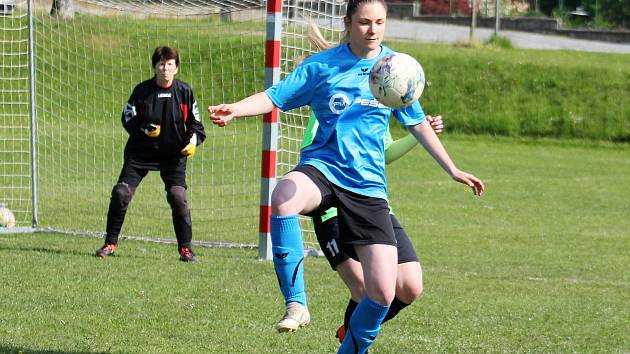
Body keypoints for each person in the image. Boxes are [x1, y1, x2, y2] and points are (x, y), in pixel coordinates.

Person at [209, 0, 484, 351]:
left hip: (367, 186)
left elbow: (416, 122)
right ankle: (297, 303)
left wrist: (453, 169)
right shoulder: (323, 66)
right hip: (323, 169)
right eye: (365, 22)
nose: (373, 30)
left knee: (383, 293)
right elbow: (274, 97)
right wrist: (236, 109)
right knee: (283, 196)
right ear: (348, 22)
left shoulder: (393, 68)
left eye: (380, 22)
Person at [306, 111, 443, 343]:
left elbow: (386, 151)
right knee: (365, 289)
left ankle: (351, 329)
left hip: (373, 207)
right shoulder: (331, 86)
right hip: (333, 207)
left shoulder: (379, 101)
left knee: (410, 286)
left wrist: (419, 133)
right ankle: (353, 341)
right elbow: (311, 147)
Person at [96, 46, 205, 263]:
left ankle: (186, 249)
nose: (165, 69)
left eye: (170, 64)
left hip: (173, 156)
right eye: (161, 64)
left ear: (176, 68)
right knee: (121, 193)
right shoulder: (142, 91)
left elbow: (196, 125)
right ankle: (110, 243)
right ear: (154, 67)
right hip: (140, 153)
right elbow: (128, 117)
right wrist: (144, 128)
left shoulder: (184, 92)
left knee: (178, 197)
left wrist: (192, 142)